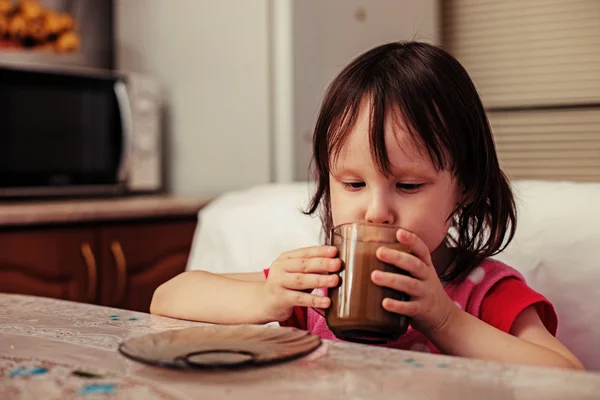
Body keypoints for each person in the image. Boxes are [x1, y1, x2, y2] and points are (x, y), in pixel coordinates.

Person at [151, 41, 584, 370]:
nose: (376, 211)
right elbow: (168, 297)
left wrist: (446, 321)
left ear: (466, 186)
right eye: (354, 183)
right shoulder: (322, 282)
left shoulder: (481, 290)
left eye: (409, 185)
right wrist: (267, 296)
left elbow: (567, 378)